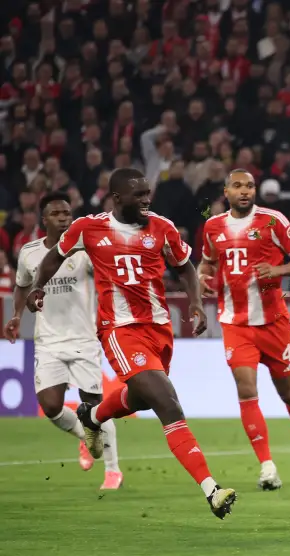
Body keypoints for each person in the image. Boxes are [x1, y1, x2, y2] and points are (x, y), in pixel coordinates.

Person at [25, 168, 237, 519]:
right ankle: (211, 490)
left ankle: (91, 416)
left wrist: (196, 303)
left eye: (147, 193)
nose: (146, 199)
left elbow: (184, 266)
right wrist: (38, 286)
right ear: (118, 198)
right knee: (168, 404)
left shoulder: (162, 228)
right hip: (120, 330)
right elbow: (54, 256)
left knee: (141, 397)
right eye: (139, 195)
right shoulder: (88, 228)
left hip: (159, 329)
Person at [197, 169, 290, 491]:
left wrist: (276, 269)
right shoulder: (212, 226)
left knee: (288, 393)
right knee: (247, 391)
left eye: (249, 186)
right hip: (235, 324)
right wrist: (202, 278)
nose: (245, 191)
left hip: (274, 322)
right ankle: (267, 466)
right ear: (226, 192)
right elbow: (206, 264)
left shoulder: (273, 220)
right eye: (237, 186)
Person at [5, 192, 122, 489]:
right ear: (44, 220)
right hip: (48, 341)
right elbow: (21, 286)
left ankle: (113, 471)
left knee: (95, 406)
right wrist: (17, 314)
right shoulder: (30, 253)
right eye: (56, 213)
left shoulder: (86, 250)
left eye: (67, 213)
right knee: (51, 406)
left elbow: (109, 278)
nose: (63, 218)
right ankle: (86, 436)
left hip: (84, 338)